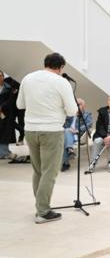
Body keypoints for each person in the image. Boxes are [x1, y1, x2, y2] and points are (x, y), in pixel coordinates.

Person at [16, 53, 79, 223]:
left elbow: (19, 105)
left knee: (38, 171)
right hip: (51, 131)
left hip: (30, 130)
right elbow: (72, 111)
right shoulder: (62, 82)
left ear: (45, 64)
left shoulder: (28, 78)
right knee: (49, 172)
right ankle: (43, 211)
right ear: (61, 67)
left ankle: (40, 206)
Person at [61, 98, 93, 171]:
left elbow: (89, 124)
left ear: (83, 106)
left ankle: (65, 163)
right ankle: (70, 150)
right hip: (68, 135)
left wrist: (78, 130)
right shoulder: (69, 115)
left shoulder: (87, 114)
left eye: (79, 104)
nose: (77, 106)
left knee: (66, 134)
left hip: (79, 135)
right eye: (75, 104)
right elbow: (63, 125)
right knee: (66, 132)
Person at [0, 71, 19, 159]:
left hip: (5, 113)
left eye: (1, 76)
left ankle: (4, 152)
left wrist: (2, 107)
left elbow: (10, 101)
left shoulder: (8, 88)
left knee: (5, 133)